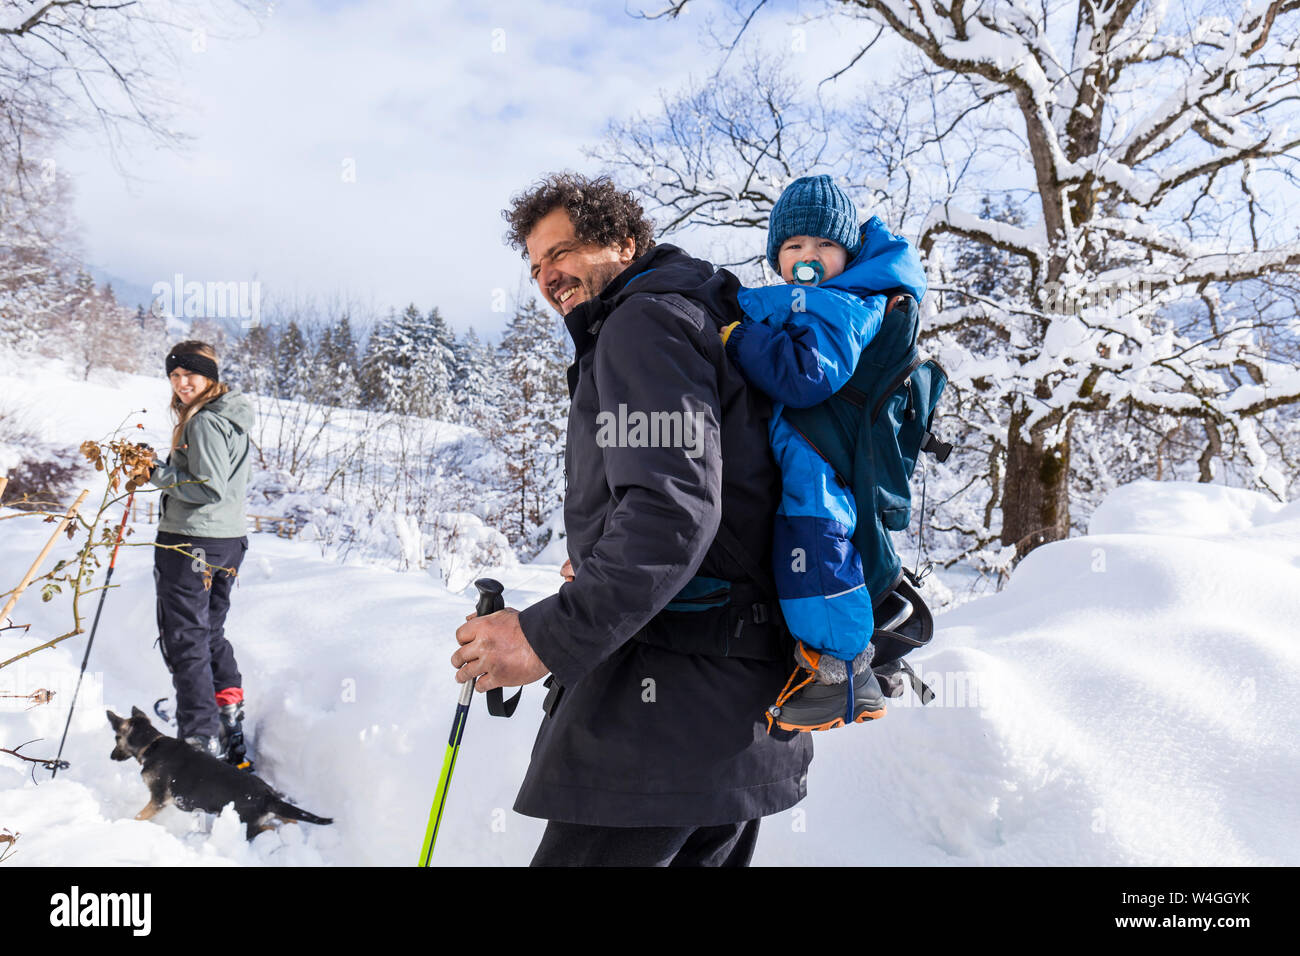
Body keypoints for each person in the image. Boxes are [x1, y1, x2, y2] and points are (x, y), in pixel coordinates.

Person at [451, 172, 811, 867]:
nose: (548, 277)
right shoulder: (700, 316)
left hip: (661, 722)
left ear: (622, 241)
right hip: (735, 714)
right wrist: (603, 557)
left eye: (562, 253)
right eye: (534, 267)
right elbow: (705, 506)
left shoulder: (641, 323)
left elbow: (671, 515)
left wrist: (544, 637)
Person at [718, 174, 928, 732]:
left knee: (814, 543)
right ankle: (829, 666)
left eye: (824, 245)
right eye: (793, 246)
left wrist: (739, 338)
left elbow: (808, 377)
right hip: (806, 450)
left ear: (847, 254)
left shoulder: (846, 306)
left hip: (818, 460)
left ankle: (843, 676)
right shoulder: (825, 302)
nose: (807, 256)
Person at [145, 340, 255, 766]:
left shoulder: (205, 422)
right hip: (226, 541)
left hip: (191, 541)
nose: (181, 381)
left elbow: (208, 487)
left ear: (210, 375)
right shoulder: (230, 417)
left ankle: (198, 740)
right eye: (174, 375)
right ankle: (226, 715)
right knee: (208, 633)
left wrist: (156, 474)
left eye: (190, 372)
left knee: (185, 639)